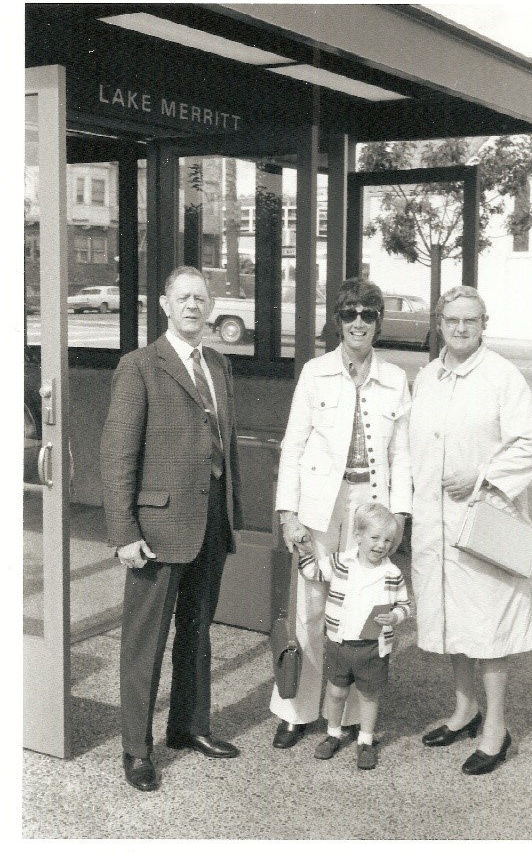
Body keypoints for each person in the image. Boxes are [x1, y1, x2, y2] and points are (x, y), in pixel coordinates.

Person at [100, 265, 244, 792]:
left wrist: (231, 514)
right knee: (145, 642)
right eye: (182, 298)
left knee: (197, 633)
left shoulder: (219, 365)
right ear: (164, 305)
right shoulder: (140, 366)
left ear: (210, 306)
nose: (192, 306)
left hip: (209, 523)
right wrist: (123, 533)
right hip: (156, 531)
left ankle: (189, 726)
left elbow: (225, 445)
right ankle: (136, 749)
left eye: (200, 298)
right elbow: (117, 454)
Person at [409, 285, 532, 775]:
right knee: (453, 620)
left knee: (488, 627)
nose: (461, 328)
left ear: (483, 323)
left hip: (485, 523)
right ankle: (465, 711)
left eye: (471, 320)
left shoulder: (501, 377)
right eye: (452, 320)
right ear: (439, 323)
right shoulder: (426, 377)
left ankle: (497, 729)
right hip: (436, 525)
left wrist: (482, 475)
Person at [272, 278, 412, 748]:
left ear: (378, 323)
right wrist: (288, 513)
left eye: (368, 315)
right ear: (338, 320)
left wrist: (401, 516)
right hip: (319, 504)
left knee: (363, 606)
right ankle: (296, 709)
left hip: (370, 507)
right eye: (350, 314)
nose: (358, 323)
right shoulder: (315, 372)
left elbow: (403, 455)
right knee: (311, 605)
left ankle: (349, 714)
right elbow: (292, 447)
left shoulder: (394, 379)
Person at [298, 503, 411, 770]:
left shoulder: (392, 574)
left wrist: (395, 617)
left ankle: (366, 740)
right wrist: (305, 550)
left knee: (369, 696)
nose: (381, 545)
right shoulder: (340, 563)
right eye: (374, 537)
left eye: (387, 540)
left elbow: (405, 605)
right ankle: (333, 734)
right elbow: (311, 572)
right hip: (338, 644)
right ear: (358, 536)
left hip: (372, 647)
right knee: (336, 692)